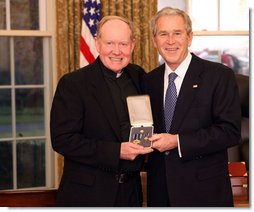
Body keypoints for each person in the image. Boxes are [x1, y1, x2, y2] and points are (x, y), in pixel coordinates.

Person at [50, 15, 153, 207]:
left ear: (133, 45)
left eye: (123, 43)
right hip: (88, 195)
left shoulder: (139, 76)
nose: (116, 51)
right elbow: (62, 140)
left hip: (131, 193)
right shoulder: (73, 84)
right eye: (109, 43)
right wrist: (116, 151)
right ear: (97, 44)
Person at [143, 7, 241, 207]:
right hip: (161, 193)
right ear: (154, 40)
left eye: (177, 33)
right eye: (163, 34)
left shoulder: (219, 76)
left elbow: (230, 132)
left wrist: (178, 141)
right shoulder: (148, 81)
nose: (170, 41)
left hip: (204, 193)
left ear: (189, 37)